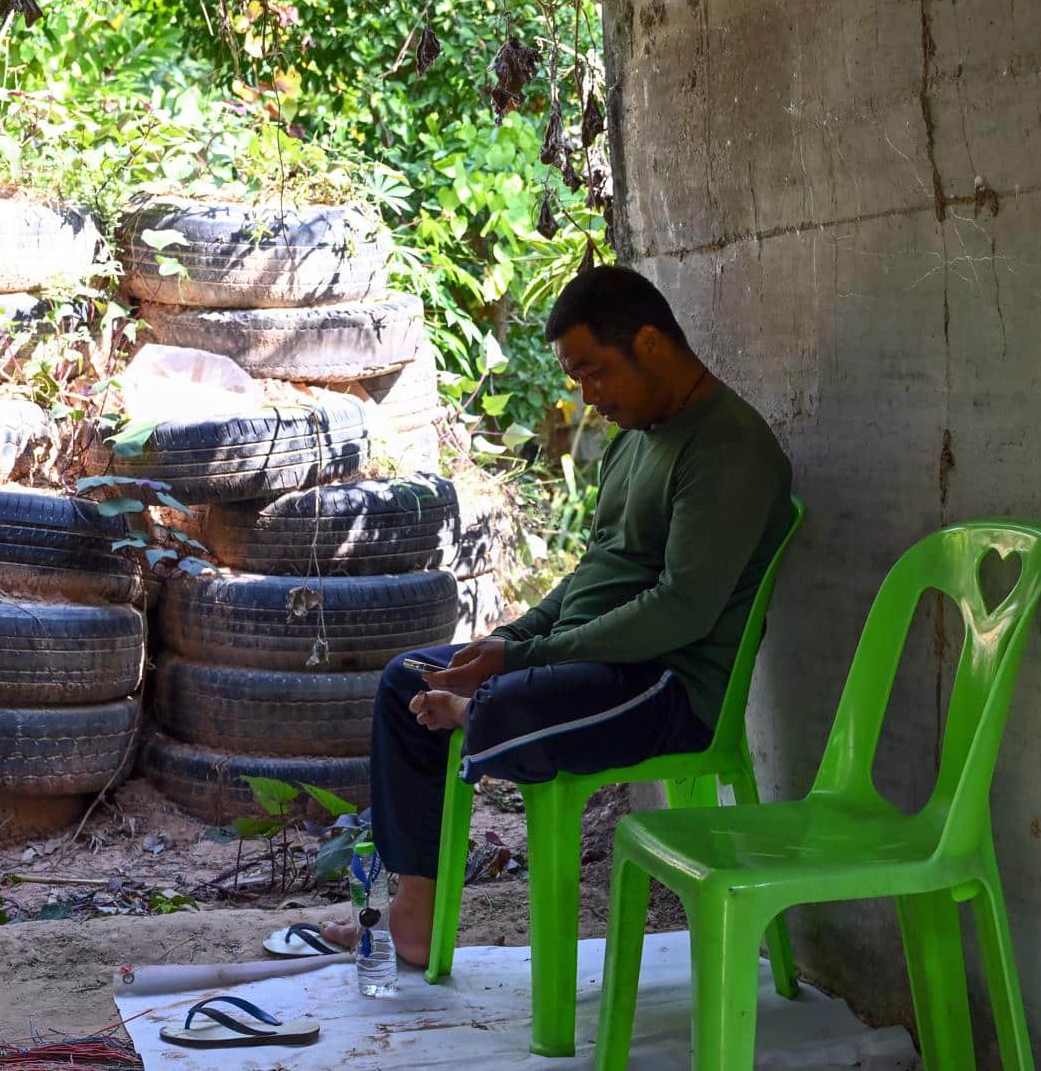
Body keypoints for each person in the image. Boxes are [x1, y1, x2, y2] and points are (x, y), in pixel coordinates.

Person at [321, 264, 795, 964]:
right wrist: (507, 638)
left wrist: (521, 660)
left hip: (667, 684)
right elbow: (591, 574)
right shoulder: (635, 439)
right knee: (407, 680)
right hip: (587, 664)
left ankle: (482, 715)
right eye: (578, 378)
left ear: (650, 344)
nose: (588, 396)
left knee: (510, 702)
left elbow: (682, 609)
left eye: (595, 373)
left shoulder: (727, 448)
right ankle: (413, 914)